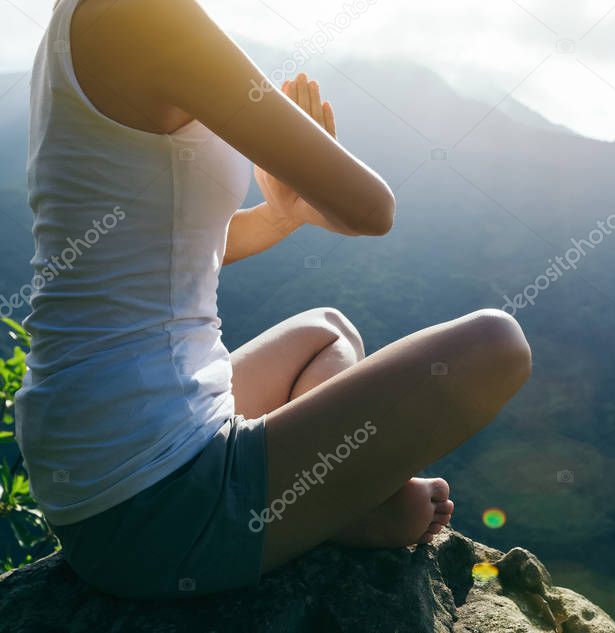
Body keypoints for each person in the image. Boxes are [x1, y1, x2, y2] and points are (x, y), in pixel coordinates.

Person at [15, 0, 531, 598]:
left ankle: (340, 496)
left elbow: (166, 242)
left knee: (327, 331)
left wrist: (281, 215)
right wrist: (301, 150)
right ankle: (354, 508)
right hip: (153, 500)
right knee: (498, 345)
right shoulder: (147, 14)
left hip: (96, 463)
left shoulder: (76, 20)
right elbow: (372, 208)